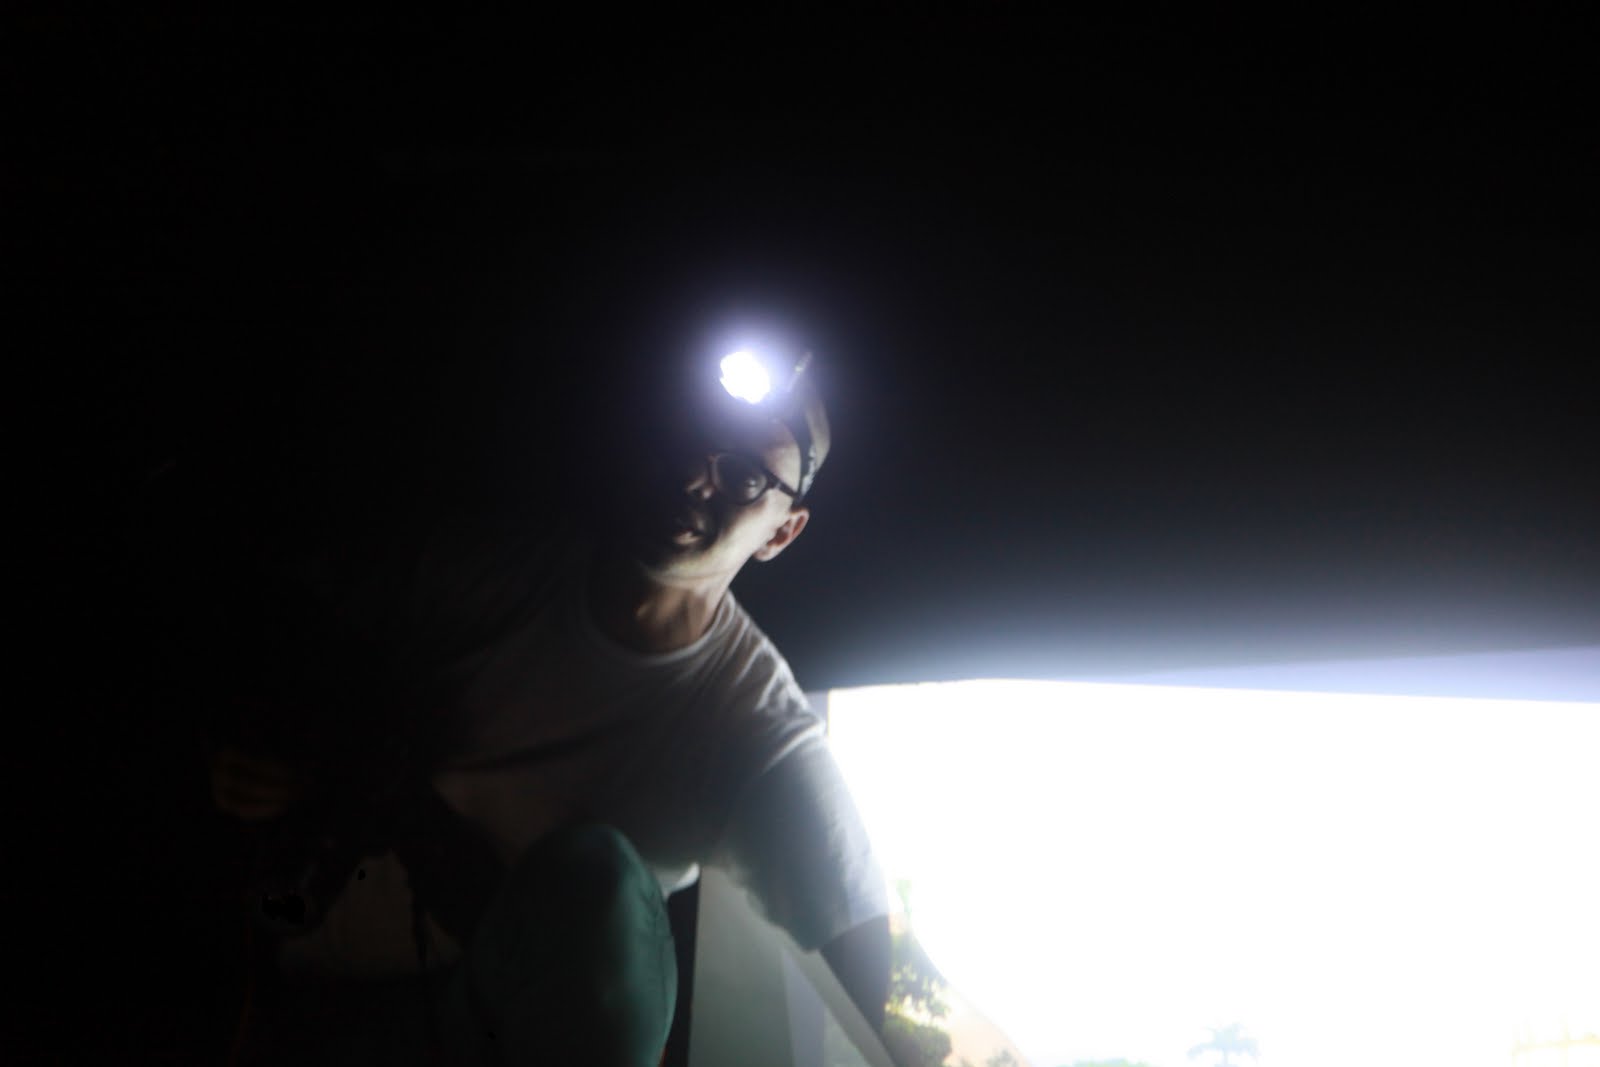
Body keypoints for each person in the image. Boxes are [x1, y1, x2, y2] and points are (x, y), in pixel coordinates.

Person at [204, 338, 893, 1066]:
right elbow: (291, 616)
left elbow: (858, 939)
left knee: (598, 880)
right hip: (278, 950)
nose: (696, 477)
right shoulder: (492, 568)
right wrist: (254, 752)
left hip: (467, 1030)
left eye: (745, 475)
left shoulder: (753, 727)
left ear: (782, 532)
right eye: (689, 440)